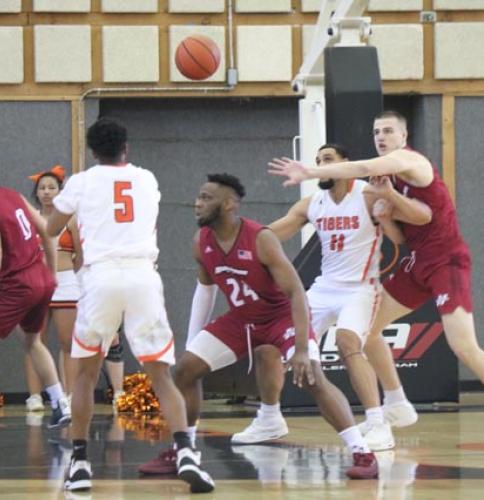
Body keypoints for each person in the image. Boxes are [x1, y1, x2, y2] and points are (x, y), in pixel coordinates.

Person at [140, 173, 378, 480]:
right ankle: (184, 450)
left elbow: (295, 292)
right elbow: (206, 289)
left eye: (205, 198)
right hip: (242, 320)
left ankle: (362, 452)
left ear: (228, 205)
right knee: (186, 369)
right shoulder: (201, 241)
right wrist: (193, 341)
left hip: (281, 317)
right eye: (198, 197)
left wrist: (303, 349)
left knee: (312, 378)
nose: (197, 204)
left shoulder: (260, 238)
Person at [269, 110, 483, 428]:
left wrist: (309, 171)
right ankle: (397, 402)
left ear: (403, 137)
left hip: (446, 261)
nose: (381, 137)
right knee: (368, 329)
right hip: (417, 262)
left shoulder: (410, 162)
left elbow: (418, 210)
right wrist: (386, 214)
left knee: (463, 346)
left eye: (388, 131)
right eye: (376, 132)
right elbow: (404, 231)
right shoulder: (386, 180)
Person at [46, 118, 214, 493]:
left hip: (100, 276)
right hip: (142, 277)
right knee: (160, 374)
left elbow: (51, 228)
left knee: (87, 374)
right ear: (127, 148)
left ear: (92, 151)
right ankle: (186, 450)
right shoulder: (147, 179)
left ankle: (79, 462)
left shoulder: (82, 182)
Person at [0, 152, 71, 438]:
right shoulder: (13, 195)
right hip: (41, 280)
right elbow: (47, 232)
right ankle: (60, 403)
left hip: (16, 285)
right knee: (33, 341)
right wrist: (52, 274)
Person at [24, 165, 82, 411]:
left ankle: (67, 394)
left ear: (61, 191)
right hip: (36, 282)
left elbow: (80, 254)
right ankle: (36, 396)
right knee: (35, 340)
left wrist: (69, 275)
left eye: (52, 188)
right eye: (42, 188)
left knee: (67, 341)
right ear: (36, 193)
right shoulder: (29, 219)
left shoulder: (70, 220)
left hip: (66, 281)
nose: (47, 192)